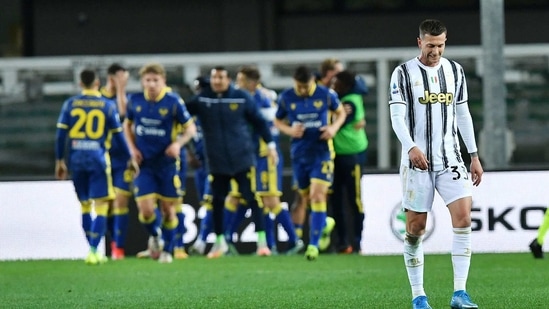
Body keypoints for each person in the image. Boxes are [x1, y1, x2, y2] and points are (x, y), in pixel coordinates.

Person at [388, 19, 483, 309]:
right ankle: (418, 295)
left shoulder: (455, 71)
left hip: (451, 157)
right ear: (420, 42)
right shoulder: (403, 73)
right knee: (416, 228)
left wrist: (474, 155)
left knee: (464, 218)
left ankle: (460, 293)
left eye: (440, 45)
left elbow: (463, 114)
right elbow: (397, 118)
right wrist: (411, 147)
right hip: (418, 162)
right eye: (430, 45)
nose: (436, 51)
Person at [186, 66, 278, 258]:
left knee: (252, 197)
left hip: (242, 157)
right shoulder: (203, 99)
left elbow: (260, 122)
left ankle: (262, 243)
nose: (217, 81)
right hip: (217, 160)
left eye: (220, 77)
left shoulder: (241, 97)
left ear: (228, 79)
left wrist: (270, 145)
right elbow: (181, 113)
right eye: (214, 77)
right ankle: (219, 244)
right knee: (217, 201)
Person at [54, 68, 138, 265]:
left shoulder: (70, 104)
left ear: (80, 84)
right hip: (98, 160)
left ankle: (91, 249)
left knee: (84, 205)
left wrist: (60, 160)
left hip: (76, 160)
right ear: (97, 83)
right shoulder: (107, 105)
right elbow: (118, 136)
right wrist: (130, 158)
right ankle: (93, 250)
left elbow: (60, 135)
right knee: (101, 205)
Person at [124, 63, 196, 263]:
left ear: (163, 81)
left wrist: (177, 144)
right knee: (146, 211)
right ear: (142, 82)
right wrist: (133, 149)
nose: (152, 84)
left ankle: (168, 250)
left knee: (167, 209)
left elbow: (190, 130)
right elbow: (126, 126)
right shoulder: (135, 101)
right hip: (144, 164)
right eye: (148, 80)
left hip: (167, 164)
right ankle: (155, 236)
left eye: (156, 80)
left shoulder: (173, 102)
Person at [274, 65, 346, 261]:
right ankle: (323, 224)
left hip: (322, 153)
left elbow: (341, 113)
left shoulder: (326, 94)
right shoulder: (287, 97)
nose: (303, 91)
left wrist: (333, 128)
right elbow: (277, 121)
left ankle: (313, 246)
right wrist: (289, 131)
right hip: (299, 155)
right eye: (300, 87)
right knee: (305, 197)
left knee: (317, 196)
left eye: (306, 87)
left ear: (313, 81)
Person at [232, 65, 303, 255]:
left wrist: (269, 148)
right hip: (251, 155)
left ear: (251, 84)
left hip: (264, 155)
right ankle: (268, 245)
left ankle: (294, 240)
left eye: (240, 81)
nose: (237, 84)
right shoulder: (253, 97)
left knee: (270, 199)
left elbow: (269, 126)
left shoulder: (260, 99)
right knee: (256, 200)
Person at [330, 70, 368, 254]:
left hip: (352, 155)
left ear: (345, 85)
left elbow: (340, 122)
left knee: (354, 200)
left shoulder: (350, 100)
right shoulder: (341, 100)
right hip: (336, 155)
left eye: (336, 83)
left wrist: (333, 114)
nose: (333, 85)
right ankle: (343, 243)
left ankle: (357, 242)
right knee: (336, 200)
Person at [100, 63, 132, 260]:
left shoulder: (124, 99)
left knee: (121, 201)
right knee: (108, 204)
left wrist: (121, 90)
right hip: (103, 158)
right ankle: (111, 243)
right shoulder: (98, 98)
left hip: (121, 159)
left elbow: (124, 115)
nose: (124, 82)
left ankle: (118, 249)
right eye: (121, 78)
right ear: (111, 77)